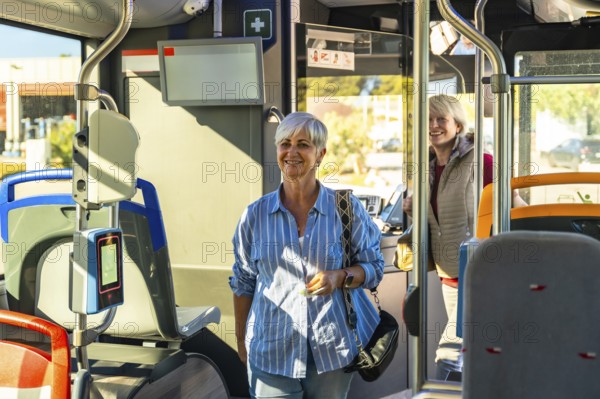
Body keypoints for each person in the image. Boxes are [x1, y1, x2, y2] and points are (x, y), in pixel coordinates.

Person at [230, 112, 385, 399]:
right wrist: (241, 343)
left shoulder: (346, 209)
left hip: (331, 353)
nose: (292, 152)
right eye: (285, 143)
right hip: (271, 351)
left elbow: (375, 266)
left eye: (303, 144)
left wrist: (341, 276)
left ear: (320, 154)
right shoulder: (254, 215)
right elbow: (243, 283)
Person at [402, 94, 526, 381]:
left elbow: (514, 204)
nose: (433, 125)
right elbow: (440, 219)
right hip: (449, 273)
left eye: (441, 119)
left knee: (449, 352)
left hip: (482, 271)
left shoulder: (482, 161)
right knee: (472, 348)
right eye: (427, 120)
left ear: (457, 126)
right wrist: (413, 211)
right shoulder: (426, 168)